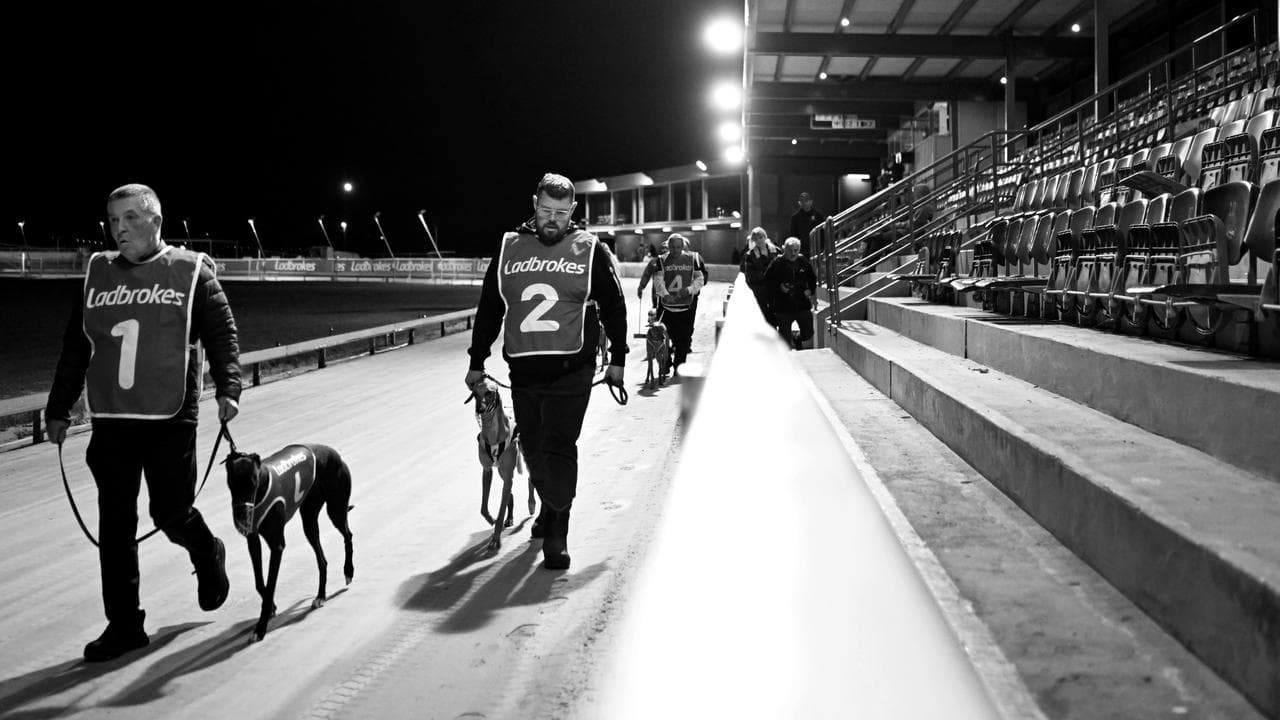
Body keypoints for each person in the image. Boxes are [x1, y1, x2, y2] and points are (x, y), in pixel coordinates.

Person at [44, 184, 241, 662]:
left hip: (170, 416)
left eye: (131, 218)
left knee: (170, 513)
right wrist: (58, 407)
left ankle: (206, 549)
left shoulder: (191, 271)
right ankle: (125, 625)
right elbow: (77, 346)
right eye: (113, 221)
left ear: (156, 220)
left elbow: (221, 333)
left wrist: (228, 387)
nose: (120, 228)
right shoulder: (97, 274)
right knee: (115, 525)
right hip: (111, 418)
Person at [465, 172, 628, 571]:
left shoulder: (590, 250)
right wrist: (476, 360)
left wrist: (619, 360)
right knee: (534, 449)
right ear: (533, 205)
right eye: (545, 210)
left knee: (559, 446)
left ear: (572, 210)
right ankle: (549, 507)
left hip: (573, 370)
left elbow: (614, 306)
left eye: (560, 212)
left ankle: (558, 527)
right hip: (523, 370)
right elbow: (490, 306)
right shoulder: (510, 247)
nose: (552, 219)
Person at [640, 233, 708, 371]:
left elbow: (700, 279)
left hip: (686, 307)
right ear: (668, 246)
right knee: (661, 337)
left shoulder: (693, 258)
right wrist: (665, 295)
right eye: (672, 247)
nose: (675, 250)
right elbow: (658, 280)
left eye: (678, 247)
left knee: (683, 340)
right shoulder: (661, 260)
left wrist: (689, 290)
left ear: (683, 246)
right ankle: (665, 363)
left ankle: (679, 366)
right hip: (666, 307)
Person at [764, 236, 819, 350]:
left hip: (802, 303)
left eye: (796, 250)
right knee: (784, 339)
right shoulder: (777, 262)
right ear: (784, 249)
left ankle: (797, 339)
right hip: (783, 305)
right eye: (790, 250)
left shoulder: (803, 260)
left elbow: (812, 278)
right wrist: (779, 288)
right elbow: (767, 281)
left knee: (808, 332)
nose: (793, 253)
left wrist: (810, 290)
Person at [738, 226, 779, 323]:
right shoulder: (750, 255)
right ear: (753, 241)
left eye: (761, 237)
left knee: (777, 315)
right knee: (764, 316)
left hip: (776, 290)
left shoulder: (776, 251)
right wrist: (765, 278)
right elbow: (749, 276)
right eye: (756, 239)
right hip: (761, 291)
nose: (759, 240)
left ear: (765, 237)